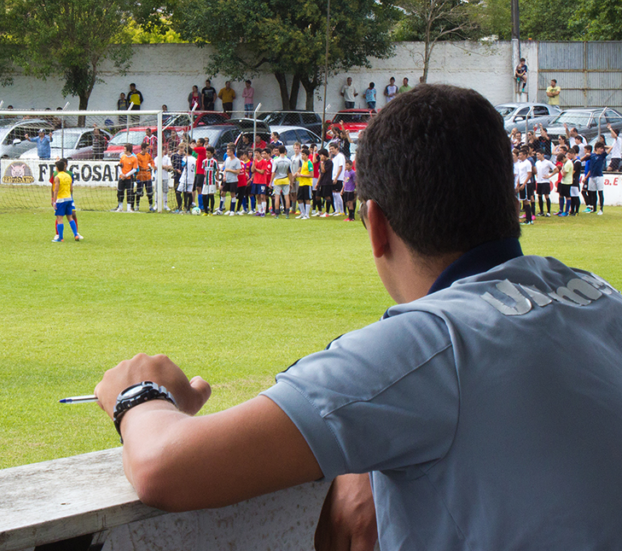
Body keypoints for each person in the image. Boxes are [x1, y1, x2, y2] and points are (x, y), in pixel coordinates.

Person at [93, 84, 622, 551]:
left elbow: (164, 467)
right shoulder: (600, 296)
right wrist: (366, 450)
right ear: (506, 198)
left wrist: (138, 393)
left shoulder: (427, 345)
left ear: (376, 226)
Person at [582, 141, 607, 215]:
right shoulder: (592, 155)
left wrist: (605, 146)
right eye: (600, 148)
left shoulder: (602, 155)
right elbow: (583, 159)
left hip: (599, 176)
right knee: (592, 193)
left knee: (600, 192)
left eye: (602, 148)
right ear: (597, 148)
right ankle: (594, 208)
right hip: (592, 176)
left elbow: (610, 148)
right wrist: (586, 155)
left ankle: (601, 209)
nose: (602, 149)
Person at [116, 143, 138, 212]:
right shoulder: (123, 157)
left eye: (124, 149)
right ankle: (120, 207)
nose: (123, 150)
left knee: (129, 193)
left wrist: (126, 175)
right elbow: (119, 166)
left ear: (128, 150)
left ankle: (129, 208)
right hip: (121, 177)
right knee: (120, 192)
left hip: (129, 178)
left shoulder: (134, 158)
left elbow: (134, 169)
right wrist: (122, 174)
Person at [270, 145, 291, 217]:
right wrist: (291, 182)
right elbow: (290, 172)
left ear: (278, 151)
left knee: (277, 196)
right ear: (285, 151)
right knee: (286, 196)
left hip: (277, 180)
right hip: (285, 179)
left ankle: (277, 214)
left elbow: (273, 172)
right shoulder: (288, 160)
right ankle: (287, 213)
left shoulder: (276, 161)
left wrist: (270, 182)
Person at [135, 143, 155, 211]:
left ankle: (150, 206)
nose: (148, 149)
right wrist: (147, 168)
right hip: (140, 177)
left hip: (148, 177)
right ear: (143, 149)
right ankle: (137, 206)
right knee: (139, 192)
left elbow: (152, 162)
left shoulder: (148, 155)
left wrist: (152, 166)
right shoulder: (138, 156)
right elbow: (139, 166)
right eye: (147, 148)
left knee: (150, 192)